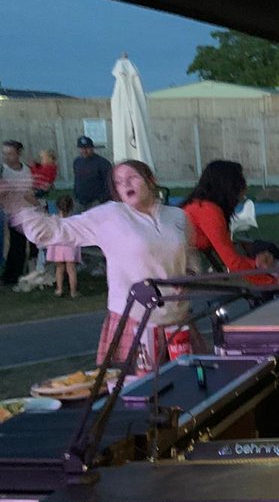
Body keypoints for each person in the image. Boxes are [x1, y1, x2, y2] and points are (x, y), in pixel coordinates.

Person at [1, 160, 193, 365]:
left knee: (188, 386)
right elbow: (48, 232)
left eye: (132, 178)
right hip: (134, 320)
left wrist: (189, 276)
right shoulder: (110, 216)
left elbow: (188, 259)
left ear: (151, 180)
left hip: (177, 320)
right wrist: (13, 202)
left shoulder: (178, 217)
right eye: (119, 182)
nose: (126, 184)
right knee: (136, 390)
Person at [182, 160, 274, 284]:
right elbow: (232, 261)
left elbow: (228, 252)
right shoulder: (208, 211)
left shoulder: (202, 205)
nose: (245, 186)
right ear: (229, 185)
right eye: (241, 180)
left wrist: (255, 264)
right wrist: (272, 282)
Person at [1, 141, 32, 286]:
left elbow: (30, 190)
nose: (6, 157)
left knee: (32, 244)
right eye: (4, 153)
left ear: (18, 154)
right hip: (12, 212)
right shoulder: (3, 171)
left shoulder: (26, 169)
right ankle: (11, 276)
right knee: (16, 244)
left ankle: (28, 271)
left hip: (28, 211)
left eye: (10, 153)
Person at [46, 194, 81, 297]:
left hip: (57, 248)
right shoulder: (74, 220)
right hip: (69, 247)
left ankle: (59, 289)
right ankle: (73, 292)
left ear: (57, 206)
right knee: (71, 270)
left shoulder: (54, 220)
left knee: (59, 269)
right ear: (71, 207)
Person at [72, 136, 113, 210]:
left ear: (92, 148)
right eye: (82, 148)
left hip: (96, 203)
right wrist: (75, 196)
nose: (84, 151)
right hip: (80, 202)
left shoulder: (102, 163)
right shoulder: (77, 162)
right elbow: (77, 180)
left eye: (87, 148)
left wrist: (101, 200)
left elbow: (110, 183)